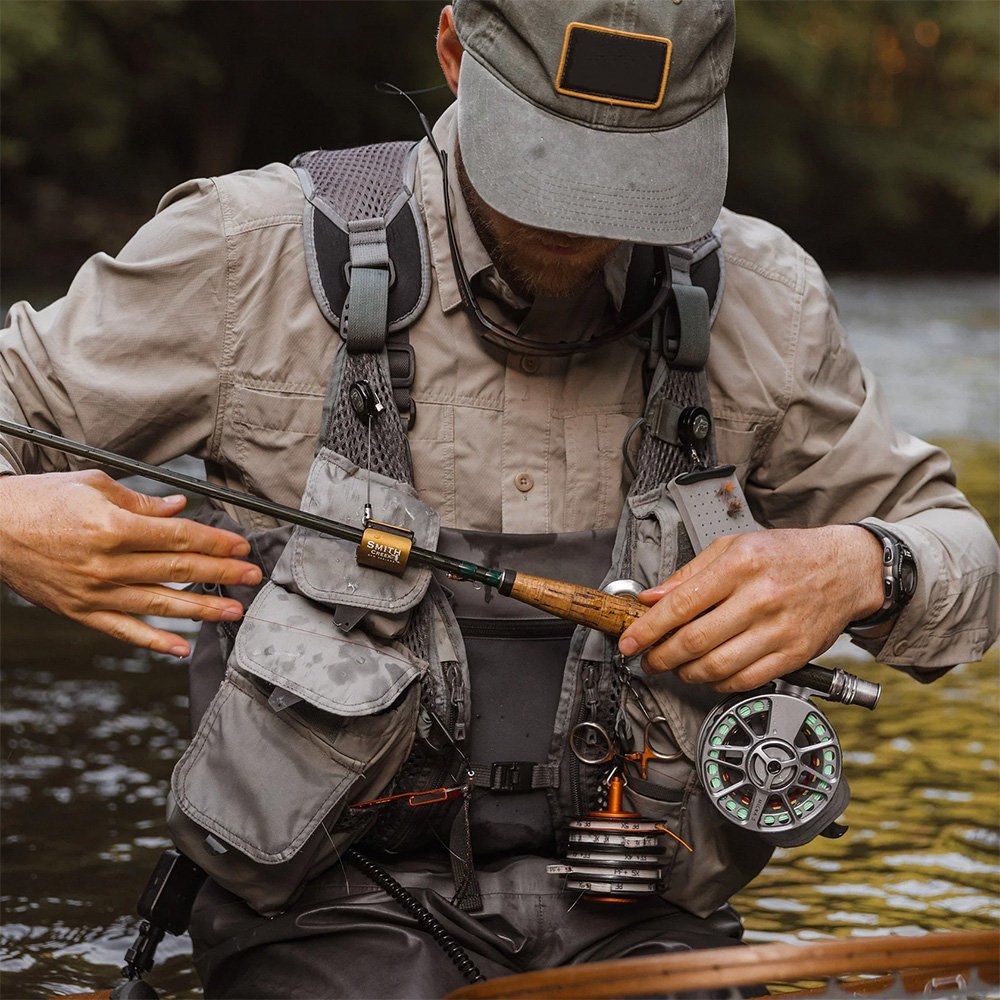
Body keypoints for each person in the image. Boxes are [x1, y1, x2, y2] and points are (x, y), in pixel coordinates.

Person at [1, 2, 997, 998]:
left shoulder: (764, 297)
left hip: (648, 924)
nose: (581, 215)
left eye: (631, 178)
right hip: (315, 921)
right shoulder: (241, 254)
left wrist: (867, 565)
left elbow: (965, 563)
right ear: (453, 53)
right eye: (550, 162)